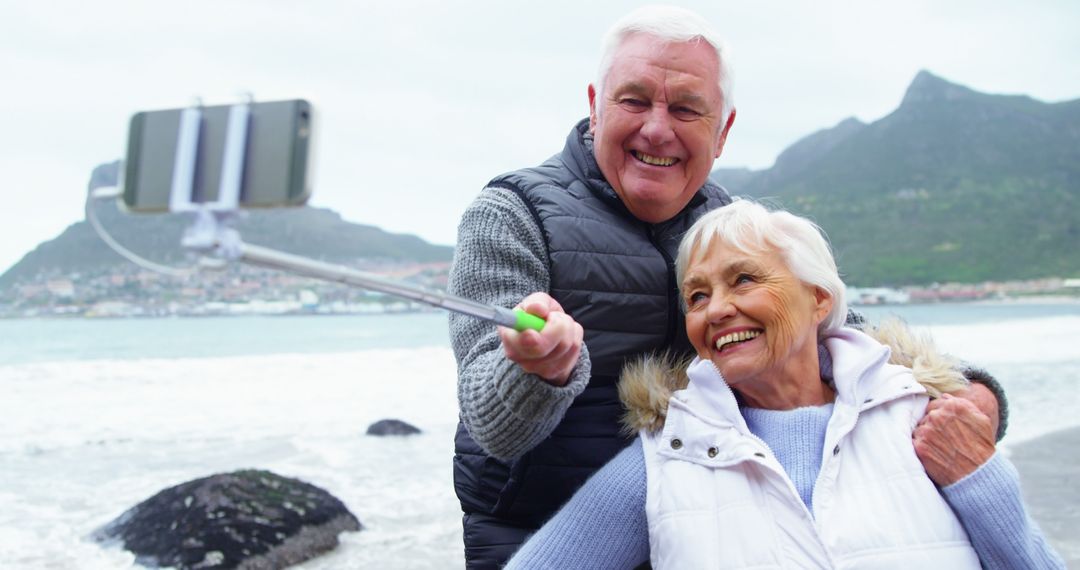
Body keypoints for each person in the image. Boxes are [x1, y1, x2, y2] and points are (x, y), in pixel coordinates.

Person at [447, 5, 1007, 567]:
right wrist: (538, 370)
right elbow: (493, 430)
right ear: (595, 106)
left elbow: (836, 335)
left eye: (687, 108)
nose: (657, 128)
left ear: (724, 130)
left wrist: (969, 394)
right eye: (634, 100)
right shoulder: (514, 215)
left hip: (716, 531)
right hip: (539, 537)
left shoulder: (735, 226)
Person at [505, 200, 1062, 569]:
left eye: (744, 278)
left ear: (820, 298)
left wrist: (984, 482)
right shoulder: (666, 457)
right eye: (697, 296)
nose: (717, 310)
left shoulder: (924, 423)